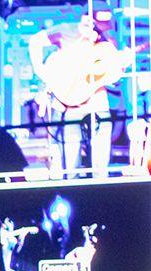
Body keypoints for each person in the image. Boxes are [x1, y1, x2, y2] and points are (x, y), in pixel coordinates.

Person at [29, 10, 122, 178]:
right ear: (85, 17)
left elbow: (114, 74)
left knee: (101, 162)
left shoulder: (106, 39)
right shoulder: (66, 31)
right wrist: (40, 71)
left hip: (97, 101)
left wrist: (114, 70)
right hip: (70, 103)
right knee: (71, 162)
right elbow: (35, 41)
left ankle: (101, 186)